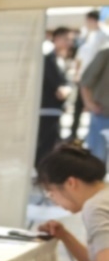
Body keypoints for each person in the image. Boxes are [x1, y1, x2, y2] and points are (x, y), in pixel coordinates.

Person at [37, 27, 74, 165]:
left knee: (51, 145)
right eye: (66, 39)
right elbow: (60, 90)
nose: (69, 43)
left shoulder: (63, 60)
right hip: (47, 109)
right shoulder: (49, 60)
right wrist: (67, 89)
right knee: (45, 146)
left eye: (71, 40)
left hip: (54, 110)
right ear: (57, 39)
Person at [73, 10, 108, 138]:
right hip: (103, 111)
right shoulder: (90, 36)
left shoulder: (102, 35)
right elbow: (81, 61)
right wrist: (89, 103)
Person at [81, 46, 109, 160]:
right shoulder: (105, 55)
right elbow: (85, 82)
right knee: (97, 157)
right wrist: (89, 104)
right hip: (103, 114)